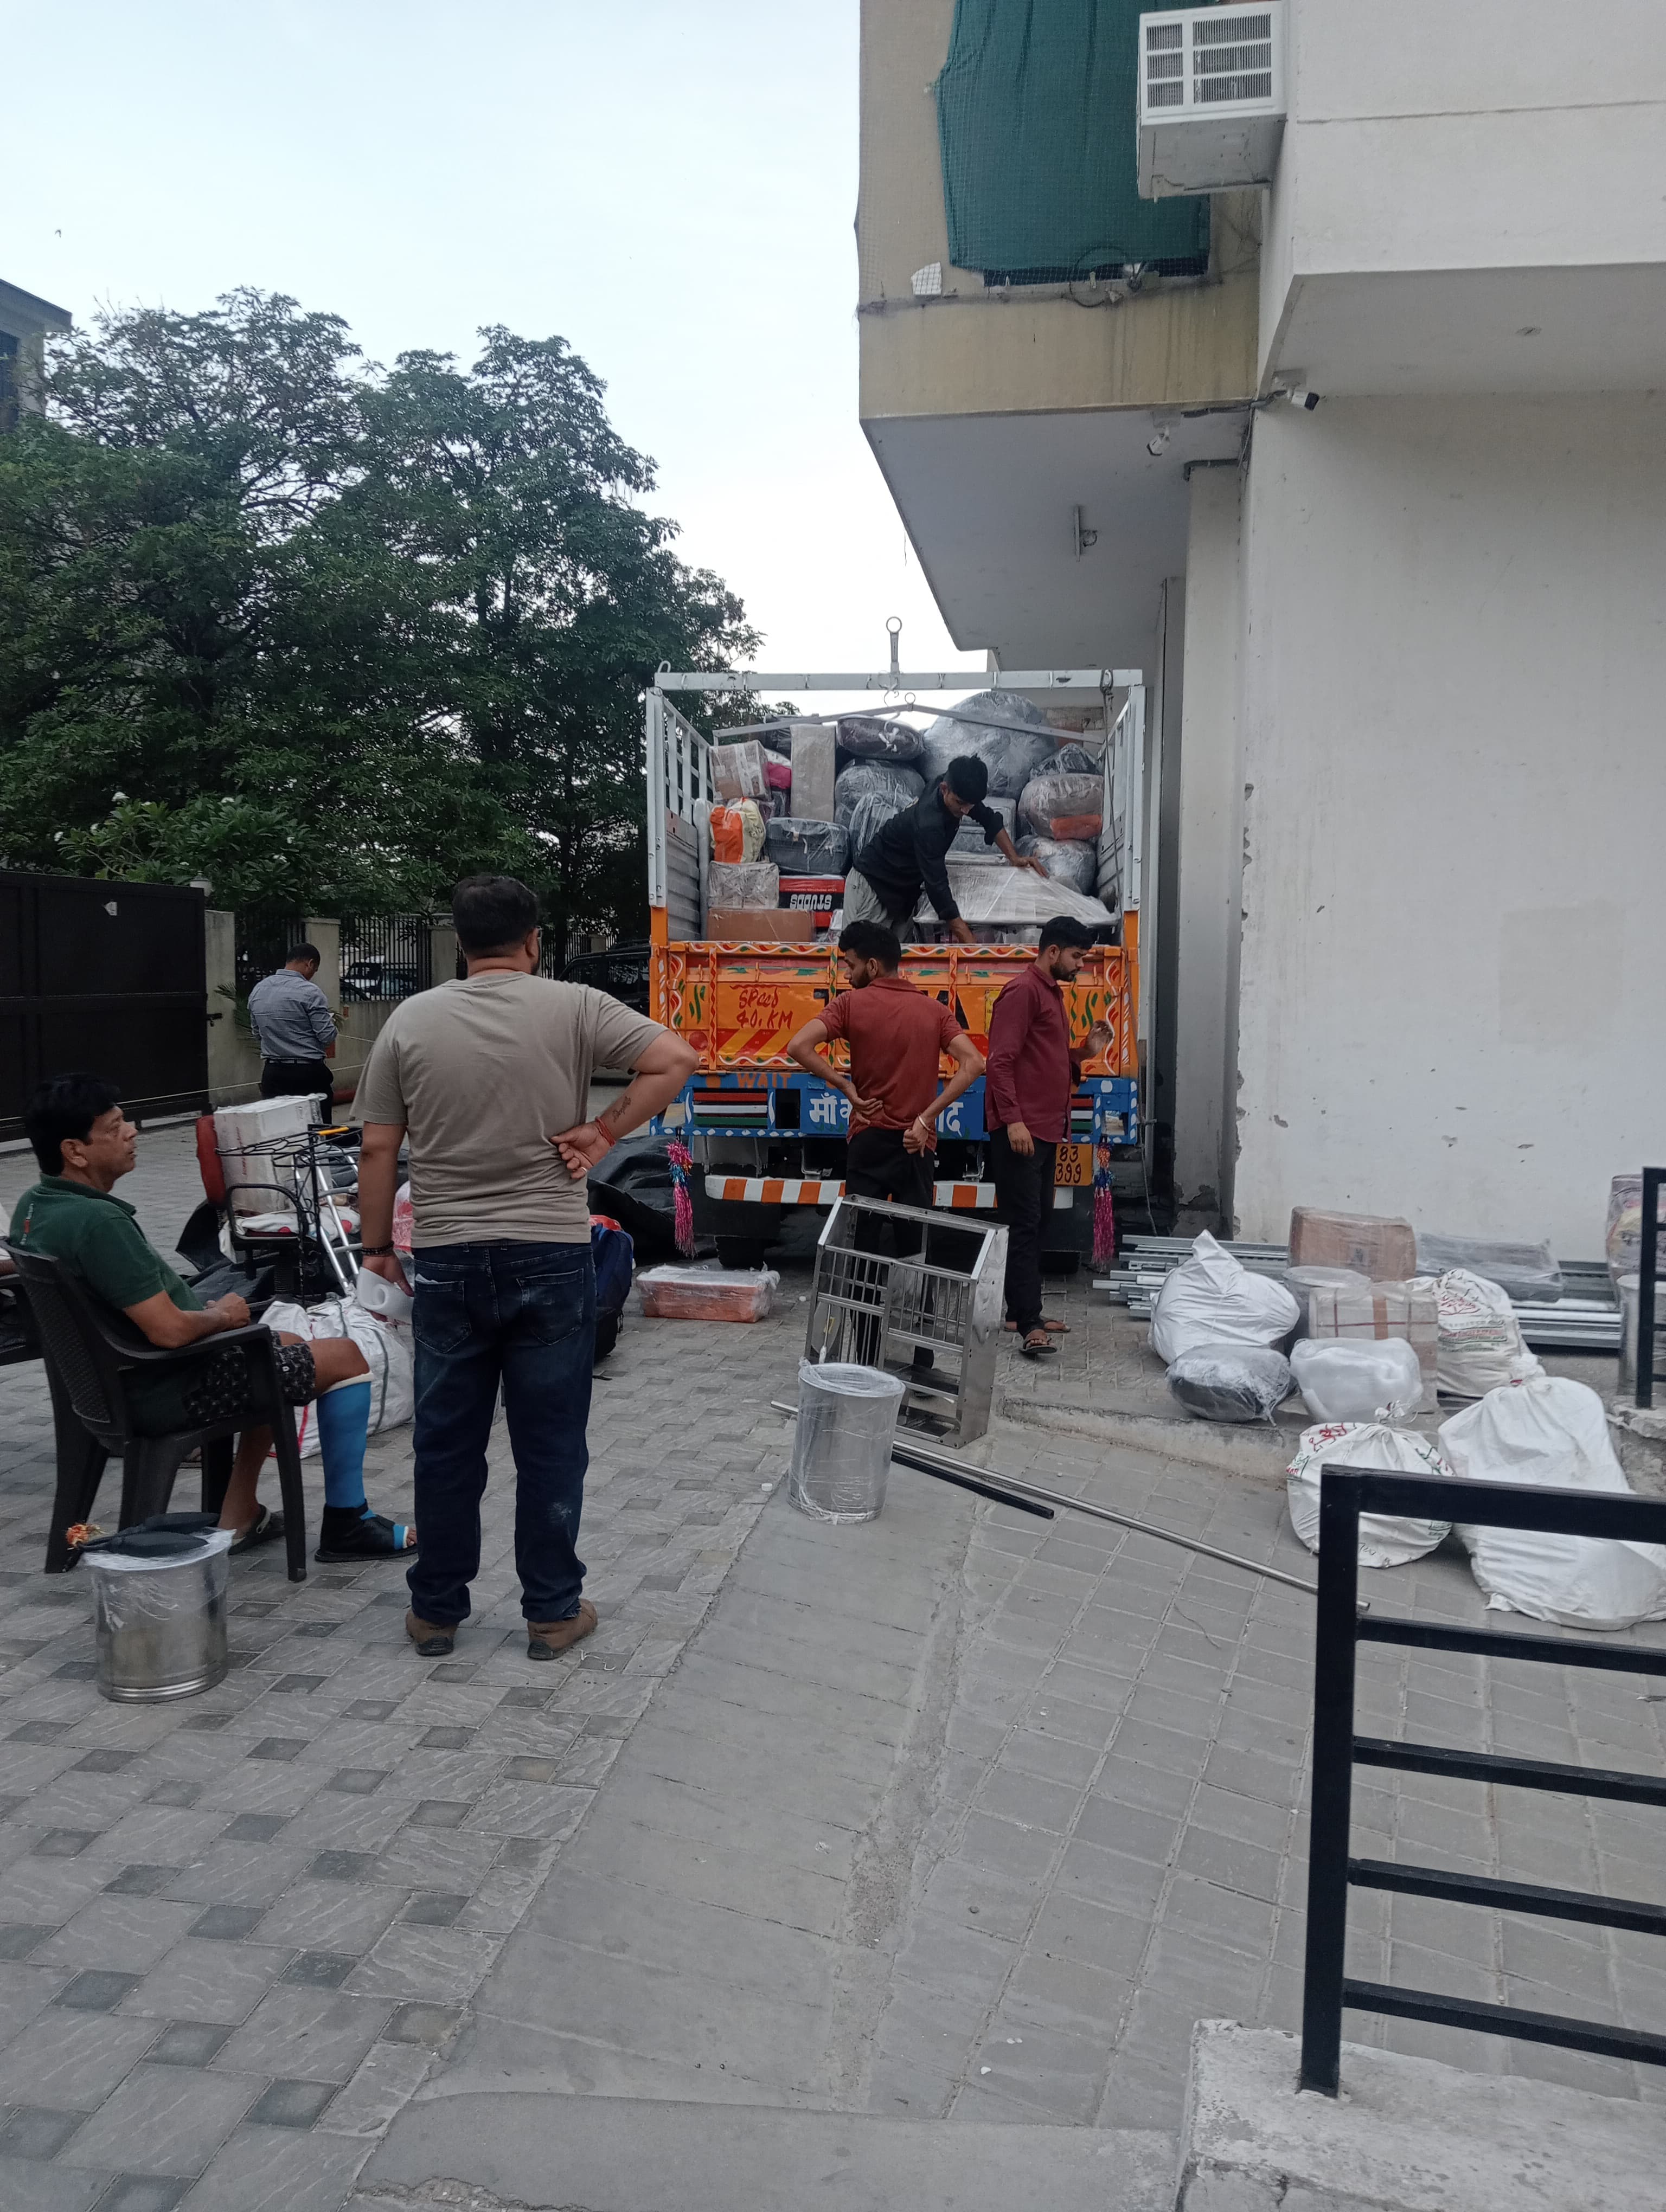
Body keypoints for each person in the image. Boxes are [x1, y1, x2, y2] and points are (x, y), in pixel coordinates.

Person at [354, 874, 698, 1663]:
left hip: (445, 1260)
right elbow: (676, 1058)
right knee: (550, 1443)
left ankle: (436, 1612)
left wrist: (378, 1248)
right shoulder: (574, 1006)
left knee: (445, 1442)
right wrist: (604, 1131)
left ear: (461, 942)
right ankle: (550, 1613)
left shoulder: (410, 1020)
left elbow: (377, 1147)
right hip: (550, 1254)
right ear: (534, 940)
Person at [9, 1073, 412, 1561]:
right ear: (75, 1151)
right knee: (346, 1356)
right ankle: (348, 1522)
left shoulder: (37, 1205)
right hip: (167, 1388)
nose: (133, 1133)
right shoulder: (97, 1223)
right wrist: (222, 1315)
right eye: (115, 1128)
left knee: (279, 1340)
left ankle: (239, 1510)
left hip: (111, 1385)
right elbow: (170, 1330)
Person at [784, 919, 985, 1213]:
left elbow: (798, 1046)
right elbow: (974, 1063)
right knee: (912, 1244)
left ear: (873, 966)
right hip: (916, 1141)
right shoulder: (936, 1012)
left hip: (869, 1138)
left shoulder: (849, 1005)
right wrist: (926, 1119)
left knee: (861, 1244)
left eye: (851, 966)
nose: (848, 975)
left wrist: (845, 1086)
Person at [984, 918, 1113, 1361]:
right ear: (1052, 951)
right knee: (1023, 1226)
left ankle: (1025, 1312)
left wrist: (1084, 1054)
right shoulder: (1023, 992)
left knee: (1035, 1224)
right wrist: (1013, 1121)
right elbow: (999, 1062)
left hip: (1043, 1128)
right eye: (1077, 957)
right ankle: (1028, 1326)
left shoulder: (1051, 994)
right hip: (1023, 1132)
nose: (1080, 966)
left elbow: (1046, 1063)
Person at [844, 755, 1047, 944]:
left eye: (970, 805)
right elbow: (938, 890)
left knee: (893, 965)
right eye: (961, 804)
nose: (966, 811)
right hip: (872, 887)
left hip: (901, 894)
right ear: (944, 789)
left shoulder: (957, 789)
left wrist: (1015, 858)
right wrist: (973, 946)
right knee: (861, 960)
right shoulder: (929, 824)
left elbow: (988, 818)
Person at [248, 944, 338, 1102]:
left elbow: (257, 1033)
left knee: (277, 1124)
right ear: (310, 964)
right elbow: (327, 1036)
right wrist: (331, 1023)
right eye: (314, 971)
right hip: (307, 1074)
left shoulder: (259, 990)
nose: (312, 976)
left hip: (273, 1073)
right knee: (317, 1125)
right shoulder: (311, 992)